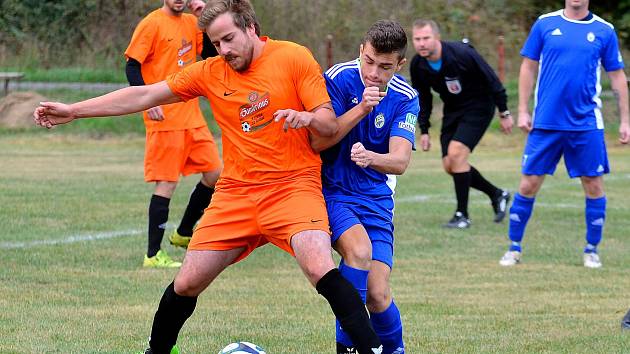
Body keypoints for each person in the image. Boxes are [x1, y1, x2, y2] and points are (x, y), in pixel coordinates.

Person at [34, 0, 384, 353]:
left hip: (292, 186)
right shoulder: (210, 72)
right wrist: (74, 111)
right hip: (235, 193)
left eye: (229, 39)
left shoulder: (293, 57)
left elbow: (327, 124)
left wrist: (306, 117)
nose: (224, 50)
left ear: (250, 27)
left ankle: (372, 349)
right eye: (216, 44)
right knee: (186, 282)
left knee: (318, 265)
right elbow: (145, 93)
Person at [311, 20, 417, 354]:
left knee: (377, 292)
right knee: (358, 251)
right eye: (369, 61)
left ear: (399, 65)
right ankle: (349, 348)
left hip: (375, 200)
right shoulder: (338, 78)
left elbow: (400, 161)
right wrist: (362, 108)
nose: (373, 72)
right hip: (333, 191)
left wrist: (371, 157)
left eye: (385, 67)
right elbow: (319, 140)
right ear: (361, 50)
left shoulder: (405, 98)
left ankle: (396, 350)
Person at [499, 0, 629, 268]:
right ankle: (514, 248)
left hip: (586, 124)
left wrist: (626, 119)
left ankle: (592, 250)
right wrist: (522, 110)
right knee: (527, 185)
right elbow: (528, 67)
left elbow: (617, 76)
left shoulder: (604, 30)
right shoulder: (546, 24)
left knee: (593, 185)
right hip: (546, 122)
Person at [124, 0, 222, 268]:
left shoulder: (192, 23)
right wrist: (148, 101)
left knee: (215, 174)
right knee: (167, 184)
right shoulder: (151, 23)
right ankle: (153, 255)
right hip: (164, 119)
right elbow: (132, 67)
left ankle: (183, 233)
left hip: (192, 117)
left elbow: (212, 57)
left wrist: (205, 16)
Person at [409, 19, 513, 229]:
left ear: (437, 37)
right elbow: (423, 98)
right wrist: (424, 130)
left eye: (426, 38)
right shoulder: (418, 65)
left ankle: (462, 215)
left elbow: (492, 80)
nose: (421, 43)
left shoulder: (462, 54)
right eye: (417, 39)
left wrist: (504, 112)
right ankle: (497, 194)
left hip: (479, 106)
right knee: (451, 165)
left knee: (456, 155)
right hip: (453, 111)